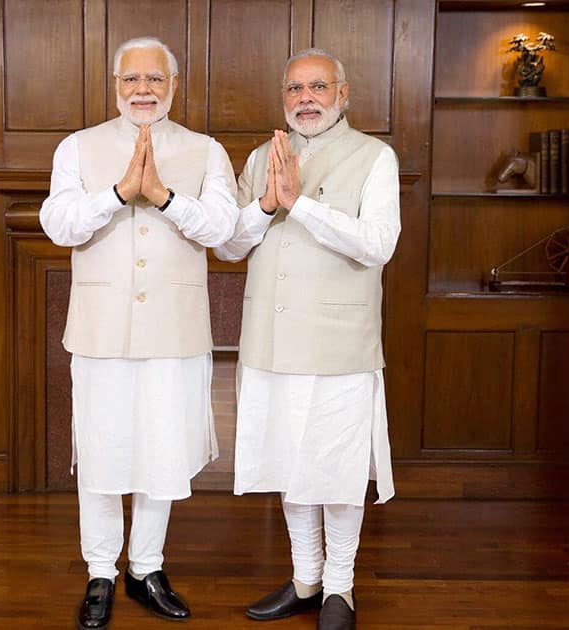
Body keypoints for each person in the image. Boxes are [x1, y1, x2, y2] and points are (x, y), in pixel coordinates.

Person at [39, 36, 239, 630]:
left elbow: (225, 228)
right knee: (101, 451)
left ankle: (146, 566)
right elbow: (58, 223)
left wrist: (166, 199)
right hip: (100, 328)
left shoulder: (205, 150)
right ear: (116, 85)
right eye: (132, 80)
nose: (144, 90)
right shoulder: (77, 147)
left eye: (156, 79)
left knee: (162, 448)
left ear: (174, 86)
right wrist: (120, 195)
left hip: (175, 331)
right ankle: (101, 570)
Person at [214, 47, 401, 630]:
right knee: (290, 465)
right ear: (283, 98)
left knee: (338, 469)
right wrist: (267, 203)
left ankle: (339, 589)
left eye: (318, 87)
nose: (306, 99)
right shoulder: (260, 158)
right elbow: (228, 245)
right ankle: (304, 578)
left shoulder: (375, 157)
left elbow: (378, 245)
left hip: (340, 342)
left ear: (343, 95)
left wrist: (299, 207)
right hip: (271, 339)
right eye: (294, 89)